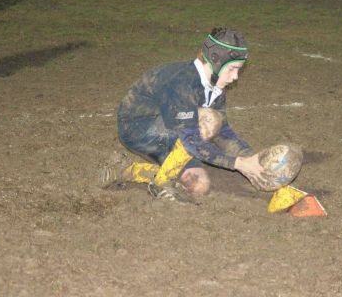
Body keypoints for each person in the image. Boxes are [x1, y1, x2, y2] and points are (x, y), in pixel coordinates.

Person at [107, 28, 270, 203]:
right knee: (209, 121)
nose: (236, 76)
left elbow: (223, 133)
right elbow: (192, 141)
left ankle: (126, 170)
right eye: (232, 69)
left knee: (198, 185)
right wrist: (237, 164)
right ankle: (161, 183)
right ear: (215, 61)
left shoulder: (216, 89)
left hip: (170, 131)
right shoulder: (182, 82)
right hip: (138, 128)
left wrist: (250, 157)